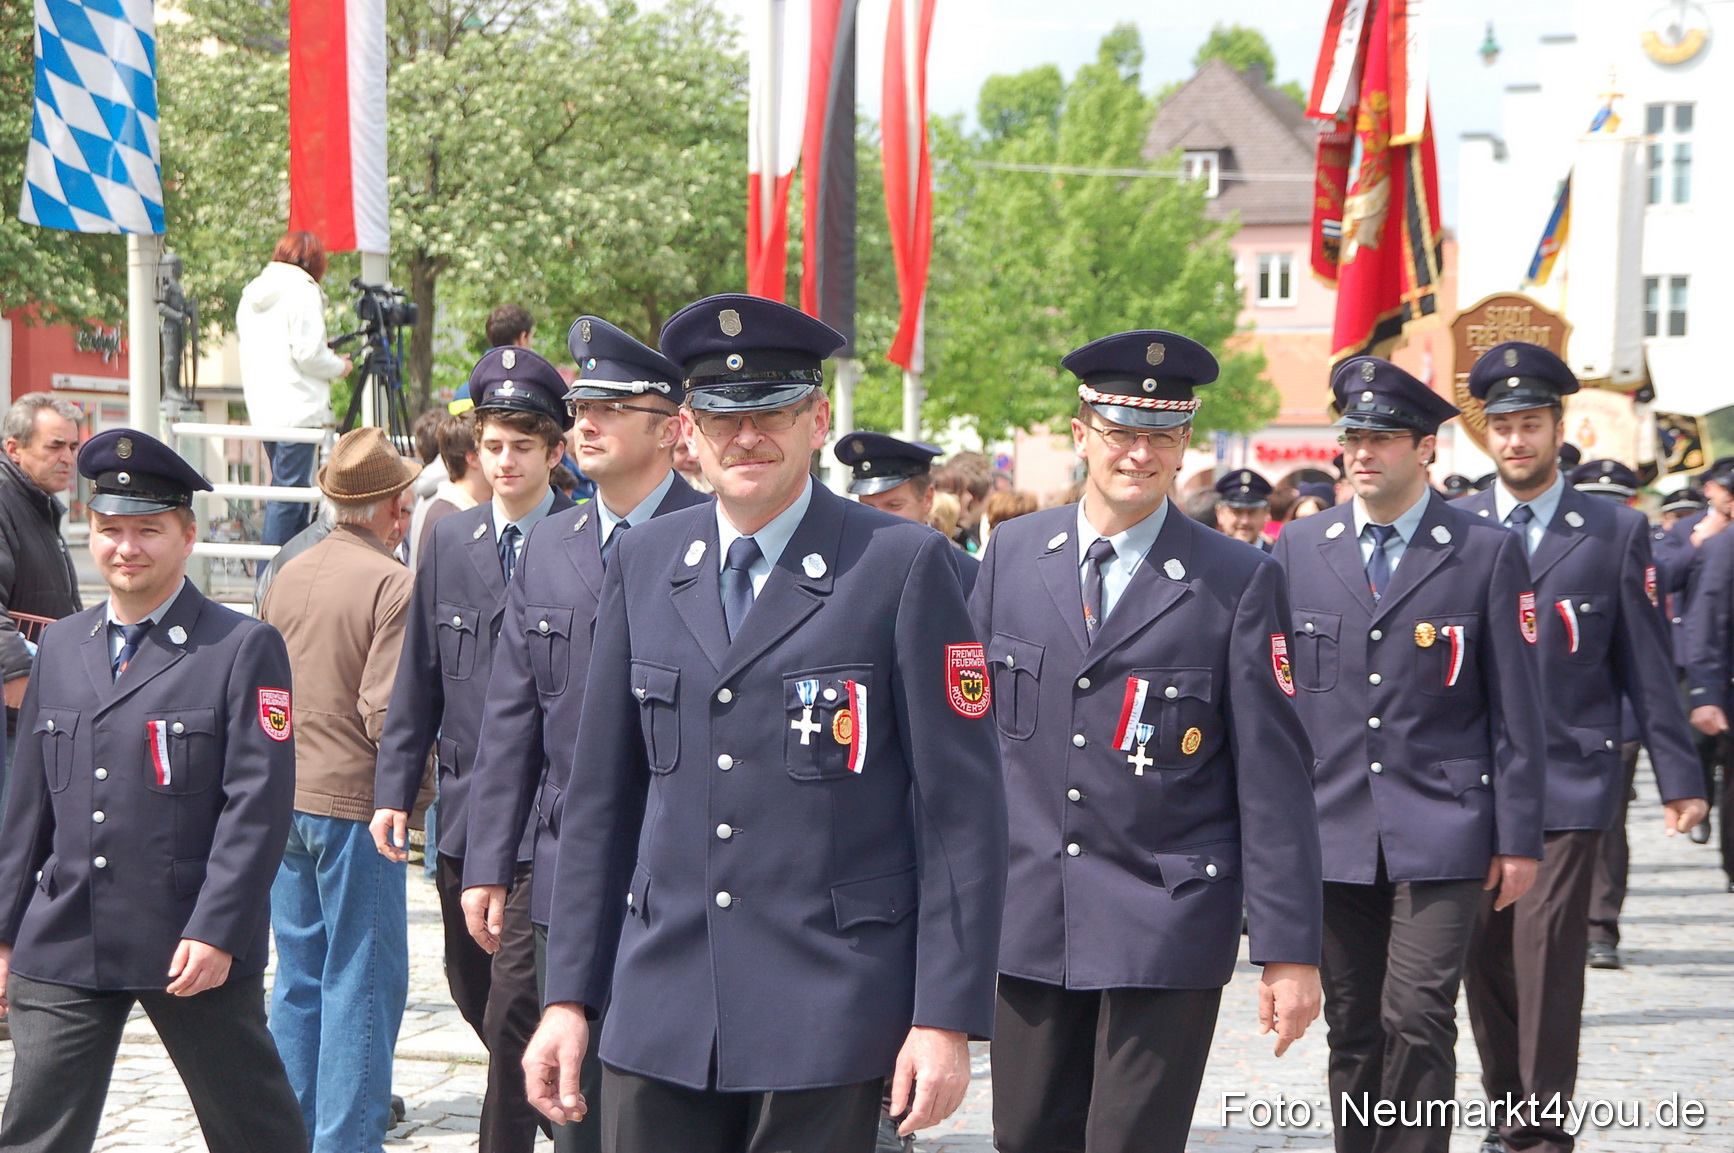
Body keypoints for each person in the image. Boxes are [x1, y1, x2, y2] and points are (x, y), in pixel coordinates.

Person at [522, 293, 1007, 1153]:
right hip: (663, 1004)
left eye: (773, 412)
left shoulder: (899, 565)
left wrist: (943, 1017)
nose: (747, 438)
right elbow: (602, 798)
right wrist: (568, 996)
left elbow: (961, 813)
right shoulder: (644, 561)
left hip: (831, 1009)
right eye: (720, 415)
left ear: (817, 419)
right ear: (686, 431)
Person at [972, 331, 1322, 1153]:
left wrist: (1288, 951)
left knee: (1129, 1141)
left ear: (1185, 444)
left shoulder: (1236, 579)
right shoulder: (1014, 554)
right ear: (1081, 431)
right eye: (1121, 431)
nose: (1138, 453)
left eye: (1160, 435)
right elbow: (972, 747)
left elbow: (1273, 779)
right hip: (1027, 914)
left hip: (1164, 918)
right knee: (1023, 1136)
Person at [0, 429, 304, 1152]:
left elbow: (256, 805)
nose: (125, 547)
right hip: (68, 927)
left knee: (255, 1130)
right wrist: (6, 929)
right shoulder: (64, 646)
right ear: (89, 530)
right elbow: (28, 806)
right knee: (33, 1132)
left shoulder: (238, 646)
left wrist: (219, 927)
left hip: (186, 934)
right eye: (109, 530)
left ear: (187, 534)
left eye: (147, 530)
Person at [1272, 358, 1547, 1153]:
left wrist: (1519, 835)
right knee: (1355, 1024)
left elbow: (1516, 706)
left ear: (1426, 447)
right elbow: (1277, 697)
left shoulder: (1485, 550)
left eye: (1383, 438)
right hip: (1334, 827)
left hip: (1446, 826)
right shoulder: (1298, 546)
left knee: (1418, 1013)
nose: (1363, 452)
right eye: (1353, 436)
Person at [459, 316, 707, 1153]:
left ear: (671, 427)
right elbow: (511, 722)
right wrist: (490, 859)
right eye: (582, 405)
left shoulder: (717, 540)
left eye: (611, 405)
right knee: (571, 1096)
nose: (585, 422)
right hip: (567, 865)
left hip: (680, 861)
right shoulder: (553, 547)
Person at [1455, 346, 1704, 1153]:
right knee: (1485, 960)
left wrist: (1679, 776)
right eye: (1504, 426)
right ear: (1484, 434)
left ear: (1559, 430)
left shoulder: (1612, 529)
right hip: (1473, 786)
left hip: (1571, 774)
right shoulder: (1456, 526)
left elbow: (1644, 661)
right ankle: (1507, 1105)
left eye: (1531, 424)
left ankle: (1541, 1126)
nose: (1517, 440)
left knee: (1547, 950)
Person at [372, 346, 575, 1153]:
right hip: (462, 812)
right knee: (471, 986)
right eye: (493, 445)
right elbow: (418, 673)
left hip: (544, 816)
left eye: (524, 446)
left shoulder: (585, 540)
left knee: (513, 1003)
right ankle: (563, 1085)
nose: (506, 461)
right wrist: (396, 787)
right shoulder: (448, 538)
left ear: (556, 453)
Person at [260, 427, 421, 1153]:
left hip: (283, 794)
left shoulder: (287, 570)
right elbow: (388, 712)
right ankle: (347, 1144)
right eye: (407, 503)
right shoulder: (393, 581)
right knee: (361, 979)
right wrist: (415, 801)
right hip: (358, 803)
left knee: (296, 977)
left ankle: (286, 1134)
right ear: (393, 507)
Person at [237, 231, 352, 546]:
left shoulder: (253, 294)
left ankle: (275, 576)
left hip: (265, 410)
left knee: (285, 492)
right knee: (290, 498)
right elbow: (307, 355)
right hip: (299, 410)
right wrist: (340, 366)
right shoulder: (302, 290)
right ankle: (274, 579)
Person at [0, 395, 85, 737]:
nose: (67, 458)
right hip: (13, 710)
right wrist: (16, 673)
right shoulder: (6, 500)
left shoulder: (38, 503)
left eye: (73, 446)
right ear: (14, 449)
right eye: (55, 446)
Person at [833, 433, 981, 594]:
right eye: (868, 507)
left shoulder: (966, 577)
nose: (879, 518)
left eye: (894, 505)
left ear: (927, 499)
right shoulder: (840, 571)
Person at [409, 414, 493, 570]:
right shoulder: (449, 518)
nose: (504, 459)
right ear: (473, 458)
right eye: (493, 448)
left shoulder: (459, 510)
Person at [1214, 468, 1274, 548]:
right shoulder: (1205, 557)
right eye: (1237, 512)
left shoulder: (1277, 558)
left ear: (1266, 513)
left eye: (1252, 512)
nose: (1245, 521)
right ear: (1220, 513)